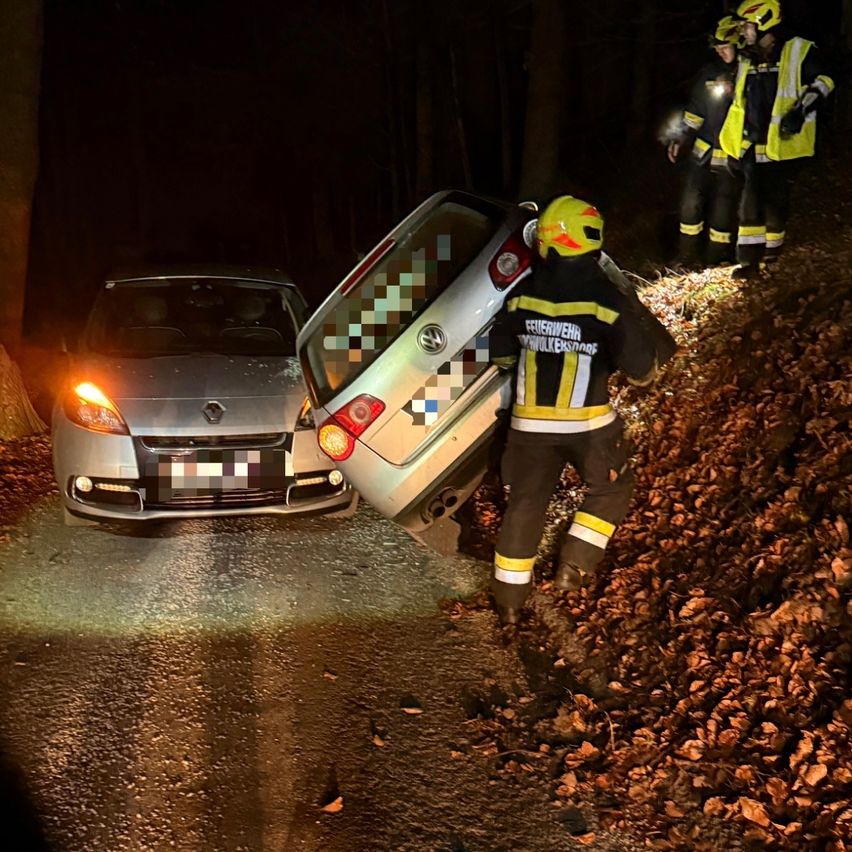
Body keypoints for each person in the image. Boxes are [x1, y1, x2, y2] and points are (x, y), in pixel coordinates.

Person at [488, 196, 659, 626]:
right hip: (589, 428)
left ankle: (509, 604)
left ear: (551, 242)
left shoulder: (522, 297)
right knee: (612, 488)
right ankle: (573, 567)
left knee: (525, 505)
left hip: (528, 429)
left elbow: (501, 356)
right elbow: (642, 373)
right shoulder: (608, 301)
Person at [719, 0, 835, 278]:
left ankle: (773, 258)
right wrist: (734, 147)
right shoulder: (749, 58)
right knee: (749, 205)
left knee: (775, 203)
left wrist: (802, 108)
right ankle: (748, 262)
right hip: (752, 144)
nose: (744, 32)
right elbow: (741, 104)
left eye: (748, 25)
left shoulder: (799, 50)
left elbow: (825, 81)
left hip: (783, 145)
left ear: (763, 22)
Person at [668, 16, 743, 268]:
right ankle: (686, 258)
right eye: (718, 48)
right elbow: (695, 111)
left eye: (726, 47)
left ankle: (717, 259)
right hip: (703, 151)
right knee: (690, 203)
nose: (721, 52)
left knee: (724, 204)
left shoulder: (749, 74)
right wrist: (681, 136)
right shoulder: (709, 74)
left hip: (732, 153)